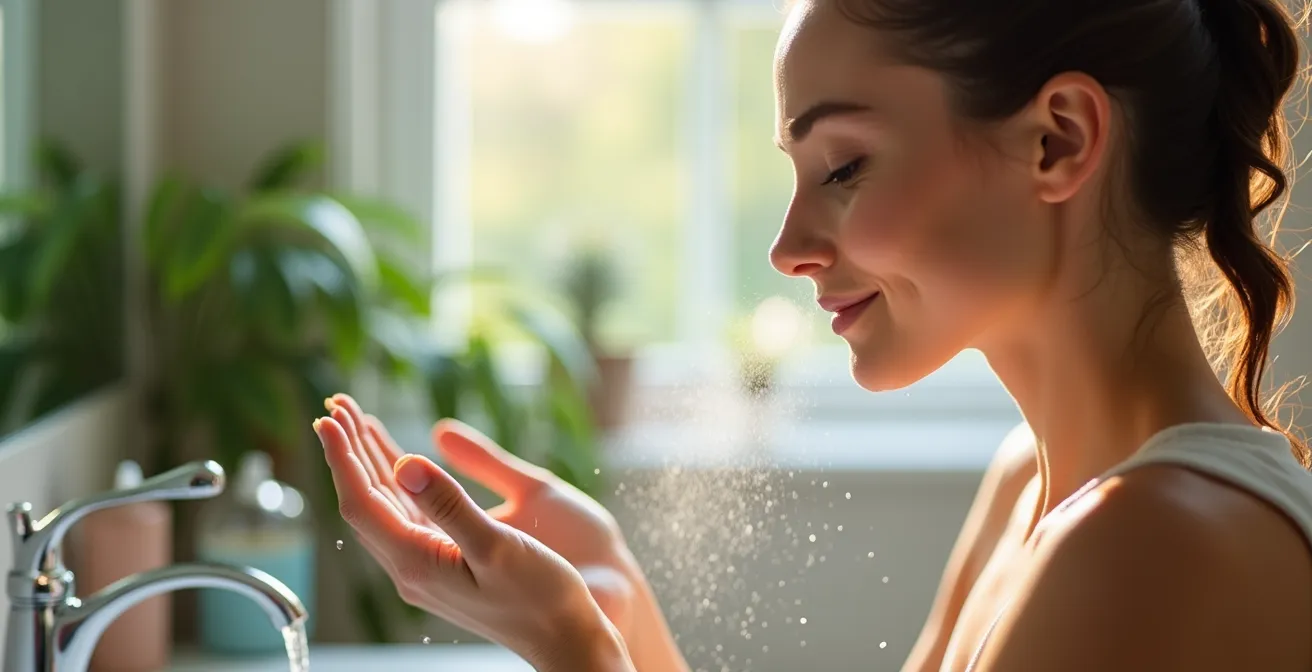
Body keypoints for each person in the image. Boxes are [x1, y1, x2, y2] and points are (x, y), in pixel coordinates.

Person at [310, 0, 1312, 669]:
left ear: (1058, 139)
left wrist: (572, 646)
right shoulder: (1034, 485)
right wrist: (616, 605)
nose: (788, 249)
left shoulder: (1156, 543)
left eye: (843, 167)